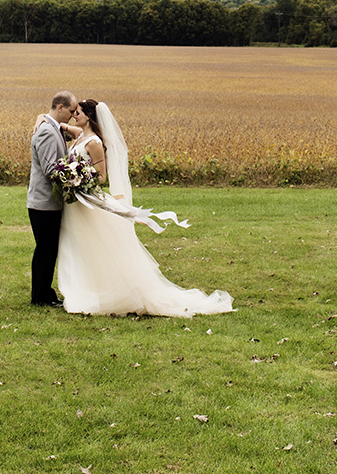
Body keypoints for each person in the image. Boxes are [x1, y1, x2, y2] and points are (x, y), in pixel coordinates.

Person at [54, 99, 233, 317]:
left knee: (94, 247)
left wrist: (79, 179)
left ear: (89, 117)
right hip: (76, 204)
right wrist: (44, 119)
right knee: (77, 246)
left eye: (79, 113)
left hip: (87, 201)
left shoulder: (94, 143)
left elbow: (101, 176)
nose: (74, 116)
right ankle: (82, 288)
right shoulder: (80, 135)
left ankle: (103, 293)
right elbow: (61, 126)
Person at [27, 90, 76, 306]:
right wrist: (74, 178)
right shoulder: (47, 131)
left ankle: (44, 293)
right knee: (45, 251)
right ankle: (40, 297)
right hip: (43, 203)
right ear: (60, 108)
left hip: (48, 203)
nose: (73, 115)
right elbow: (49, 169)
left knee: (48, 250)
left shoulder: (52, 127)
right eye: (72, 111)